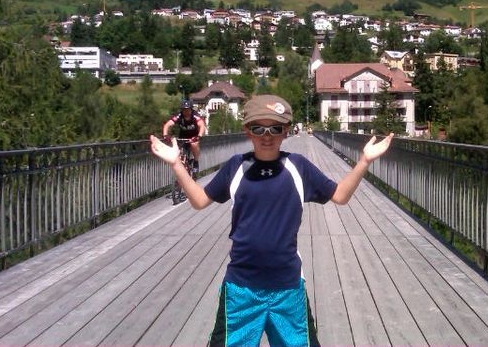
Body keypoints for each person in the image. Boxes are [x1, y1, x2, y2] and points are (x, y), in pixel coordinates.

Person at [150, 94, 393, 347]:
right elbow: (199, 200)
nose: (267, 136)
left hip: (287, 288)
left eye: (275, 128)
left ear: (286, 131)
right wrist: (176, 164)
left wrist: (365, 161)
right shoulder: (236, 167)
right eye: (259, 128)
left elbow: (340, 195)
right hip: (241, 289)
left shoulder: (298, 167)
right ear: (247, 131)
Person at [162, 99, 206, 172]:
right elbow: (167, 125)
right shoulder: (179, 116)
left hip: (193, 136)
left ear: (191, 109)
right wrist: (165, 135)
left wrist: (199, 136)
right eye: (184, 109)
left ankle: (195, 162)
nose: (186, 111)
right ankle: (181, 172)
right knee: (177, 152)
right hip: (182, 136)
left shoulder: (195, 116)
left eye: (188, 109)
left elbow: (202, 125)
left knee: (194, 145)